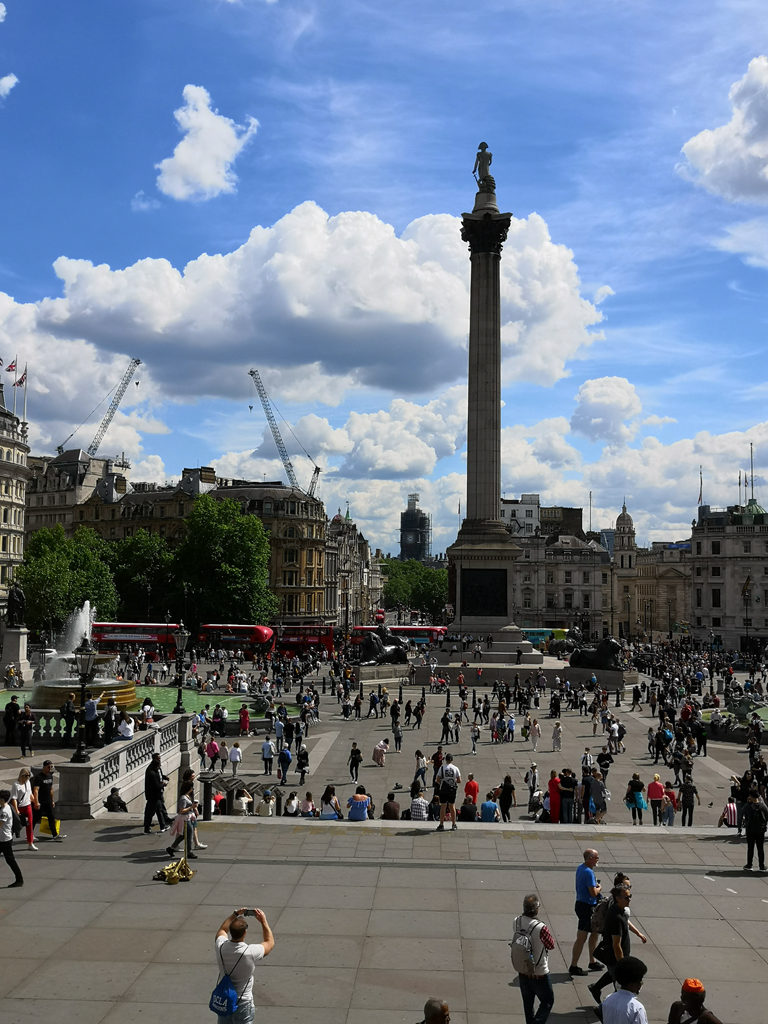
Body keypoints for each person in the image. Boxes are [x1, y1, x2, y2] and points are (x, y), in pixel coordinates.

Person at [214, 907, 275, 1024]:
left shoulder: (220, 946)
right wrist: (263, 921)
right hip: (243, 1002)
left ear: (230, 932)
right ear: (245, 932)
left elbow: (222, 929)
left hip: (224, 1000)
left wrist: (235, 914)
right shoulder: (249, 952)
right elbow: (269, 942)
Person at [512, 893, 555, 1024]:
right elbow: (551, 945)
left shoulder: (517, 921)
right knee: (547, 1001)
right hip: (539, 972)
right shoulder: (541, 927)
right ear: (536, 909)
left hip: (523, 969)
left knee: (528, 1004)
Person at [588, 885, 633, 1005]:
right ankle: (604, 1009)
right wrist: (622, 964)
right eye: (627, 897)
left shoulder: (619, 910)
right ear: (618, 898)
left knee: (612, 975)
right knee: (620, 990)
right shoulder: (616, 917)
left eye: (630, 896)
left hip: (615, 958)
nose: (629, 899)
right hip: (615, 959)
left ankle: (596, 988)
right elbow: (616, 945)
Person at [569, 848, 602, 975]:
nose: (598, 859)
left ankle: (592, 961)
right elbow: (593, 893)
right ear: (589, 859)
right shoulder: (588, 872)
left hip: (582, 904)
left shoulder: (581, 868)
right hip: (586, 907)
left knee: (594, 933)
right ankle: (574, 965)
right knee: (582, 937)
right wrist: (599, 888)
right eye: (596, 857)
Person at [600, 956, 648, 1024]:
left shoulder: (607, 999)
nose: (641, 983)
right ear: (631, 984)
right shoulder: (637, 1008)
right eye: (640, 980)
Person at [32, 760, 65, 841]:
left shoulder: (50, 776)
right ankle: (30, 834)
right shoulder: (39, 777)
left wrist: (52, 800)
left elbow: (51, 789)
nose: (50, 768)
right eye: (48, 767)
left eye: (51, 767)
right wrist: (36, 802)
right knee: (35, 818)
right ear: (44, 767)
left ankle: (55, 835)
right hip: (41, 801)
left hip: (48, 801)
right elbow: (35, 790)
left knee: (51, 817)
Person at [0, 789, 23, 887]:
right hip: (4, 838)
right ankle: (19, 879)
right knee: (10, 860)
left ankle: (19, 879)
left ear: (2, 799)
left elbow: (0, 824)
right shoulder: (7, 806)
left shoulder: (4, 811)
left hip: (4, 839)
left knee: (10, 860)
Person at [144, 752, 171, 834]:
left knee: (157, 810)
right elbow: (156, 785)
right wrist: (163, 784)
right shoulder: (151, 772)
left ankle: (162, 825)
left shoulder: (156, 769)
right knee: (152, 811)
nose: (160, 767)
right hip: (154, 795)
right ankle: (154, 827)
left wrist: (164, 777)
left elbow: (160, 775)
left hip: (155, 795)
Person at [742, 787, 768, 871]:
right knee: (760, 848)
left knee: (750, 848)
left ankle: (749, 865)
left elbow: (743, 812)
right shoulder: (763, 806)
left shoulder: (749, 806)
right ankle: (762, 866)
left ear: (751, 797)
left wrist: (748, 802)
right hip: (760, 830)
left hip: (750, 830)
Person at [10, 767, 35, 849]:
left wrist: (35, 801)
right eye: (26, 777)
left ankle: (30, 843)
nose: (28, 779)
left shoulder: (28, 782)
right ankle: (7, 842)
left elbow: (30, 793)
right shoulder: (16, 785)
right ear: (22, 776)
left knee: (29, 825)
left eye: (28, 777)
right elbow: (14, 798)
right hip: (19, 807)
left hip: (28, 806)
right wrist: (16, 810)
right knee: (15, 826)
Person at [435, 753, 461, 831]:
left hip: (443, 789)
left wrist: (443, 783)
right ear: (452, 760)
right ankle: (453, 824)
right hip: (452, 789)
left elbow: (437, 779)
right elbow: (459, 780)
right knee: (452, 806)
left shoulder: (442, 768)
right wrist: (452, 781)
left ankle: (441, 824)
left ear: (446, 759)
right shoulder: (455, 768)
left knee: (443, 806)